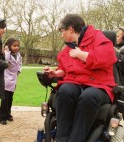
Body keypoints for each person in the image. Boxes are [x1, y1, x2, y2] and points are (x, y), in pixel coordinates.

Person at [44, 14, 117, 142]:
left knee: (88, 96)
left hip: (99, 85)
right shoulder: (69, 48)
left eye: (63, 31)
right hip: (76, 83)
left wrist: (81, 54)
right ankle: (61, 139)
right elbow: (65, 69)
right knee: (65, 90)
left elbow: (107, 57)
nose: (62, 35)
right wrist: (56, 73)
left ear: (70, 29)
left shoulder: (97, 38)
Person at [0, 38, 22, 125]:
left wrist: (19, 70)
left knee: (10, 99)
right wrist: (7, 51)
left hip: (14, 79)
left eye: (17, 46)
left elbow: (20, 64)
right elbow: (6, 60)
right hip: (6, 78)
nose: (16, 47)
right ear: (9, 46)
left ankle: (8, 114)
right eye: (14, 46)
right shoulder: (7, 54)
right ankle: (2, 117)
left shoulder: (18, 55)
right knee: (4, 99)